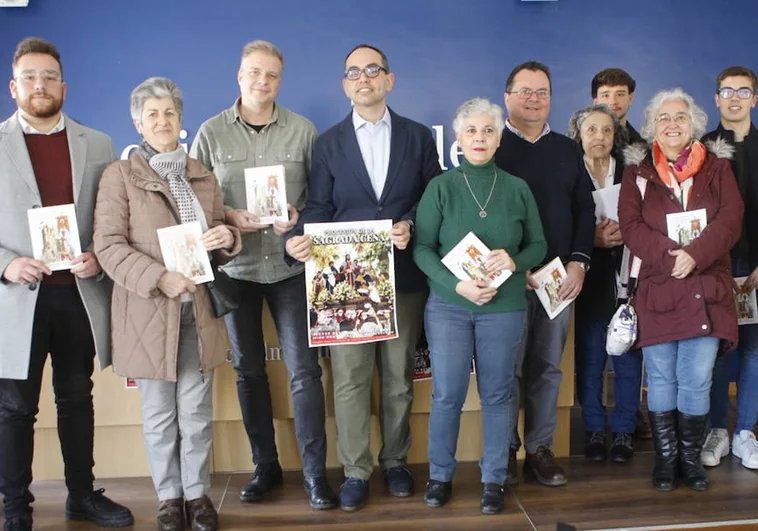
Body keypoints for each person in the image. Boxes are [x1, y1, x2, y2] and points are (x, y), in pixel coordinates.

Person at [286, 44, 441, 511]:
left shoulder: (417, 137)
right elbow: (319, 206)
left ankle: (395, 461)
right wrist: (298, 237)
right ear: (345, 84)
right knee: (351, 379)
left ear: (388, 80)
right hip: (346, 280)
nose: (364, 78)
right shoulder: (328, 142)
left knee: (397, 378)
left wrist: (411, 223)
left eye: (373, 70)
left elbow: (434, 196)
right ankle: (355, 470)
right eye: (354, 72)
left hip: (404, 274)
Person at [190, 41, 337, 510]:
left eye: (271, 75)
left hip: (292, 268)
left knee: (304, 373)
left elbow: (322, 198)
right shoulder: (211, 133)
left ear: (280, 80)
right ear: (239, 75)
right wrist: (230, 215)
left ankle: (315, 475)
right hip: (235, 270)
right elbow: (194, 204)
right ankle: (265, 467)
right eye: (254, 73)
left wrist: (300, 219)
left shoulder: (303, 131)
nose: (262, 82)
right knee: (249, 371)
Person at [94, 77, 241, 531]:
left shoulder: (202, 175)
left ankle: (197, 495)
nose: (162, 121)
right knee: (159, 413)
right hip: (148, 312)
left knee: (195, 413)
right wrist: (160, 277)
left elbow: (217, 235)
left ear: (181, 121)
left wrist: (227, 238)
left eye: (170, 114)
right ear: (138, 122)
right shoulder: (119, 176)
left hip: (197, 310)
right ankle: (168, 498)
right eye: (152, 114)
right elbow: (108, 246)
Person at [0, 37, 133, 531]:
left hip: (77, 295)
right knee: (14, 410)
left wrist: (101, 254)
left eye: (50, 76)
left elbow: (111, 218)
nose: (41, 85)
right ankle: (16, 510)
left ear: (64, 85)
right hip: (17, 299)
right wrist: (6, 264)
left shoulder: (96, 144)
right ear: (14, 87)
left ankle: (82, 496)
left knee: (77, 399)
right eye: (31, 77)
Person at [414, 98, 546, 514]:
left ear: (499, 138)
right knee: (447, 394)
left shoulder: (517, 188)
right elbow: (422, 249)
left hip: (505, 306)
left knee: (498, 393)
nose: (480, 138)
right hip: (450, 307)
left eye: (488, 130)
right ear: (457, 138)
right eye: (471, 131)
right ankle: (440, 475)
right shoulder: (441, 187)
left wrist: (515, 260)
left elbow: (538, 244)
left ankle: (493, 479)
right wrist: (457, 285)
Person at [618, 88, 744, 492]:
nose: (672, 124)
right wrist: (673, 256)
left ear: (694, 125)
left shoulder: (718, 168)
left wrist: (696, 254)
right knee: (660, 378)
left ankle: (690, 460)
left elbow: (731, 219)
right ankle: (665, 459)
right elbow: (631, 226)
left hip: (706, 288)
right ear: (653, 126)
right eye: (663, 118)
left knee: (697, 378)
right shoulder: (637, 174)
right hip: (658, 287)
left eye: (680, 117)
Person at [494, 61, 595, 487]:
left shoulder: (567, 148)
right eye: (525, 91)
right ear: (507, 97)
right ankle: (504, 450)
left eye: (542, 92)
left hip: (557, 281)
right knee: (508, 368)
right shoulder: (492, 145)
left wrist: (578, 261)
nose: (534, 99)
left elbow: (584, 210)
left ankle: (539, 449)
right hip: (508, 280)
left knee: (547, 368)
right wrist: (517, 269)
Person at [567, 104, 642, 463]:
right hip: (586, 278)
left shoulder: (632, 172)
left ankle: (625, 431)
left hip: (629, 277)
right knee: (591, 357)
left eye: (606, 130)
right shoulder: (568, 171)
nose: (599, 137)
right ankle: (595, 428)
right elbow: (556, 222)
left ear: (616, 136)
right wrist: (590, 239)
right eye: (592, 130)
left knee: (628, 360)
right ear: (579, 134)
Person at [702, 66, 758, 470]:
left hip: (754, 266)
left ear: (754, 99)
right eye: (727, 90)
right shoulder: (700, 149)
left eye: (743, 91)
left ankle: (746, 433)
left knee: (754, 351)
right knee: (717, 349)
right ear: (716, 98)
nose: (734, 97)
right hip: (713, 265)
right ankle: (717, 429)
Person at [592, 68, 643, 145]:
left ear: (630, 99)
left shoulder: (643, 148)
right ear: (595, 102)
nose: (613, 102)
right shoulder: (575, 145)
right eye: (606, 95)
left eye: (620, 94)